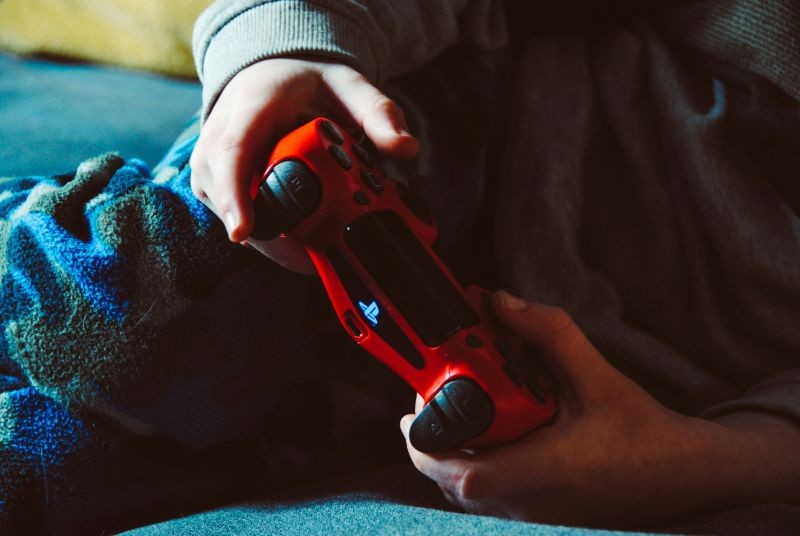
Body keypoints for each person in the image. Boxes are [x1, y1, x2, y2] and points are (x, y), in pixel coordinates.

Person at [189, 0, 800, 530]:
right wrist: (278, 43)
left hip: (645, 413)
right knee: (209, 250)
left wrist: (709, 461)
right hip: (456, 126)